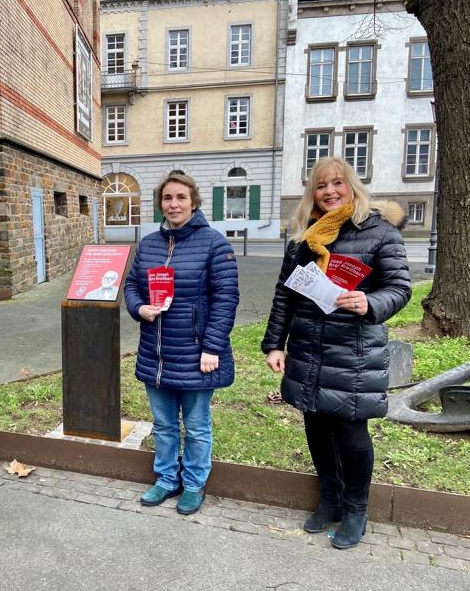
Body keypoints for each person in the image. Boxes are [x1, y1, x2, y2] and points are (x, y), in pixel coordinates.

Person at [261, 157, 411, 549]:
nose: (330, 192)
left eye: (337, 183)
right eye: (321, 185)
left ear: (352, 186)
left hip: (354, 349)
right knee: (315, 424)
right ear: (312, 192)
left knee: (350, 429)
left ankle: (356, 507)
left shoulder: (378, 232)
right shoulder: (304, 237)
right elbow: (285, 295)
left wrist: (370, 302)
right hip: (309, 346)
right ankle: (330, 498)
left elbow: (400, 288)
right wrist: (275, 344)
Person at [124, 172, 239, 516]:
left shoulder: (214, 243)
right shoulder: (149, 244)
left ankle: (193, 483)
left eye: (180, 198)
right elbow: (132, 285)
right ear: (160, 203)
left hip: (195, 352)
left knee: (197, 425)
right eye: (167, 198)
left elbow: (226, 299)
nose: (173, 204)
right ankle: (166, 478)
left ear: (194, 202)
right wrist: (139, 308)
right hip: (156, 351)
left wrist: (212, 347)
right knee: (163, 423)